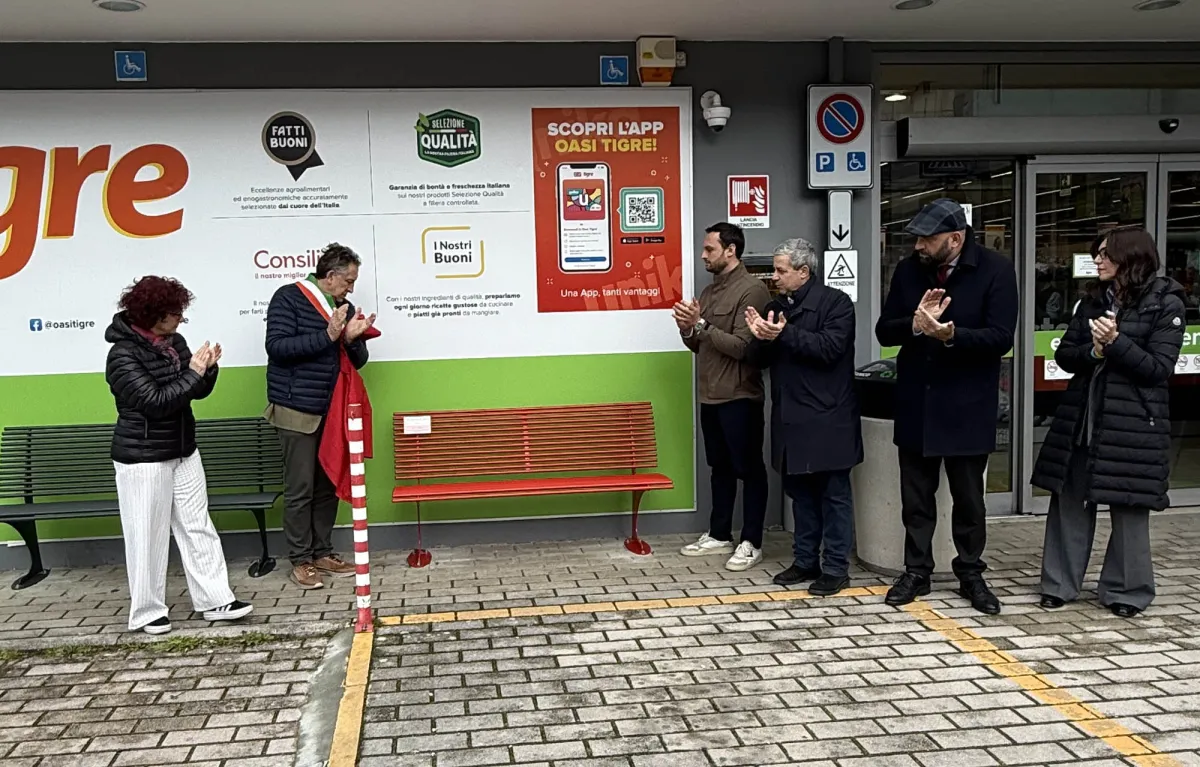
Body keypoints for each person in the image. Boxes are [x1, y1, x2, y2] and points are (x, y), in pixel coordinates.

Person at [1031, 227, 1184, 618]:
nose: (1097, 261)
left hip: (1132, 425)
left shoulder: (1166, 303)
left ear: (1129, 258)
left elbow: (1158, 369)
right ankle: (1058, 585)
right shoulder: (1092, 302)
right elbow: (1066, 355)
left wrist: (1116, 344)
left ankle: (1127, 591)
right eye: (1096, 254)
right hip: (1083, 418)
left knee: (1129, 507)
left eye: (1104, 254)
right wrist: (1095, 350)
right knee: (1068, 501)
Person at [875, 198, 1017, 615]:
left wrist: (951, 335)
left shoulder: (994, 269)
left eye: (928, 239)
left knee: (968, 500)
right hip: (919, 400)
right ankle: (916, 570)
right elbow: (886, 328)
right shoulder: (908, 271)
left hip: (967, 404)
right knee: (916, 497)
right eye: (917, 238)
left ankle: (970, 572)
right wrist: (916, 326)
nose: (919, 246)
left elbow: (1001, 337)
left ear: (955, 239)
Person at [105, 276, 253, 635]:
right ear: (153, 314)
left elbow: (193, 392)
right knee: (146, 534)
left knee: (197, 524)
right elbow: (156, 403)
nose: (180, 321)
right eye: (175, 314)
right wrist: (194, 372)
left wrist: (209, 369)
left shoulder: (175, 342)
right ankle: (147, 611)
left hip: (183, 449)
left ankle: (216, 599)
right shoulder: (122, 355)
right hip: (143, 457)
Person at [746, 238, 863, 596]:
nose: (775, 277)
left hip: (829, 417)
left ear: (803, 272)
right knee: (801, 495)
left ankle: (836, 568)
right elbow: (757, 359)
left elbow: (829, 349)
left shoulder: (836, 304)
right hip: (791, 418)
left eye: (781, 271)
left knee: (833, 495)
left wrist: (784, 333)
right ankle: (805, 560)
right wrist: (762, 339)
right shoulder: (774, 306)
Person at [265, 243, 377, 590]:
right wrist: (327, 335)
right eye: (348, 280)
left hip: (334, 410)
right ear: (329, 277)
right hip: (297, 408)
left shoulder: (341, 306)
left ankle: (322, 551)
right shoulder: (288, 298)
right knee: (301, 489)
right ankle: (301, 560)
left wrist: (353, 340)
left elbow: (355, 361)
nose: (351, 288)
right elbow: (278, 348)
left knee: (328, 482)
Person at [674, 222, 772, 571]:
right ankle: (719, 534)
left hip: (740, 397)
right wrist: (687, 328)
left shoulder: (753, 291)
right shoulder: (710, 291)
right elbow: (700, 345)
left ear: (731, 250)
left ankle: (752, 541)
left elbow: (745, 348)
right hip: (710, 395)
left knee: (749, 469)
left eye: (709, 249)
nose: (703, 255)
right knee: (720, 468)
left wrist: (701, 325)